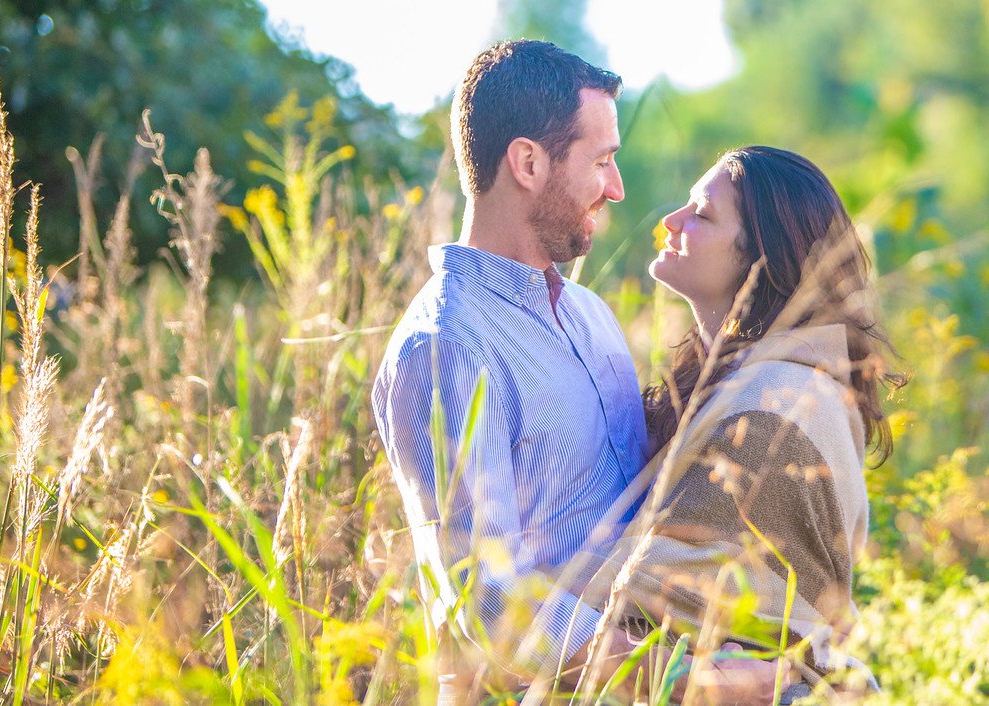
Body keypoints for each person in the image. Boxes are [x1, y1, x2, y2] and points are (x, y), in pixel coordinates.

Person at [372, 39, 786, 703]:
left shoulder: (590, 315)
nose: (617, 189)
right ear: (528, 163)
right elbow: (488, 606)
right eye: (601, 162)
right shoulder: (446, 345)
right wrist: (682, 680)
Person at [567, 146, 903, 698]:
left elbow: (692, 602)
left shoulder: (783, 399)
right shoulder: (732, 382)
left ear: (761, 258)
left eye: (701, 215)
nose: (670, 222)